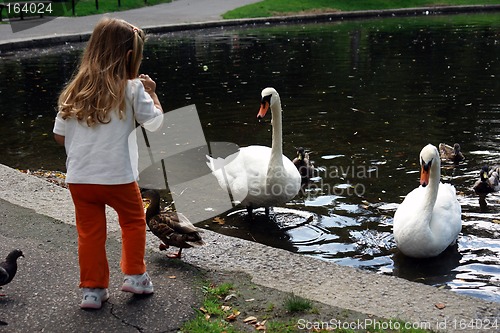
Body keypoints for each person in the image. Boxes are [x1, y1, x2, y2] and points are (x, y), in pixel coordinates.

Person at [53, 17, 164, 310]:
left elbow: (59, 136)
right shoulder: (132, 89)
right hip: (119, 178)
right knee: (133, 222)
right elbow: (155, 125)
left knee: (89, 234)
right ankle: (135, 276)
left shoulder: (73, 89)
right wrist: (152, 92)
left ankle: (92, 290)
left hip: (80, 179)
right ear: (130, 57)